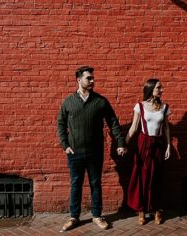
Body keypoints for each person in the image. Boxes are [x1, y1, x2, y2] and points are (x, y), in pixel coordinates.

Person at [57, 65, 127, 231]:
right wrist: (65, 145)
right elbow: (61, 124)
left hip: (95, 152)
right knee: (76, 184)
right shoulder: (68, 102)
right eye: (88, 78)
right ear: (78, 80)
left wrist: (121, 142)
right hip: (74, 152)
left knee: (95, 183)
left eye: (92, 78)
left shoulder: (100, 101)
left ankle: (97, 215)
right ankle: (74, 217)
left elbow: (113, 123)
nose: (92, 81)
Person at [124, 78, 172, 225]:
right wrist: (123, 144)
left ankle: (157, 210)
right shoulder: (140, 106)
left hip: (158, 144)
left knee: (157, 176)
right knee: (142, 177)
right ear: (151, 89)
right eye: (159, 88)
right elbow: (134, 127)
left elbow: (166, 128)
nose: (162, 90)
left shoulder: (164, 107)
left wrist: (169, 145)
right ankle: (142, 210)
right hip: (143, 144)